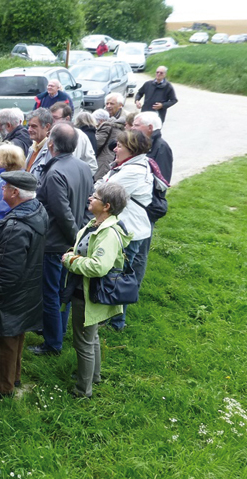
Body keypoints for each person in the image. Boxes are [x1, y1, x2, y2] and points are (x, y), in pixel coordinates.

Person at [62, 183, 132, 397]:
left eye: (96, 197)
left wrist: (71, 261)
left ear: (107, 206)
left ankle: (83, 390)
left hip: (88, 293)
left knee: (83, 341)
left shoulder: (107, 234)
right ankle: (94, 376)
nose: (90, 198)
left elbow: (99, 266)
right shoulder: (95, 225)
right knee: (91, 337)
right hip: (85, 291)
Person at [0, 170, 48, 397]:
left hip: (10, 295)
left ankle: (1, 388)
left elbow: (8, 272)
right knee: (16, 335)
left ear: (15, 192)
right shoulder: (37, 211)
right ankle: (14, 377)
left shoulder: (16, 226)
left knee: (3, 340)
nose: (2, 190)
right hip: (27, 290)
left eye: (4, 187)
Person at [30, 123, 93, 356]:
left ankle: (52, 343)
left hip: (56, 244)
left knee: (51, 294)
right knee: (63, 292)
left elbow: (61, 212)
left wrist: (75, 236)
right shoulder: (84, 167)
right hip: (71, 241)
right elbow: (89, 206)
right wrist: (82, 234)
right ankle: (58, 332)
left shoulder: (55, 172)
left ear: (51, 144)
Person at [99, 130, 153, 332]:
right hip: (130, 228)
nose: (115, 148)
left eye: (119, 146)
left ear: (131, 149)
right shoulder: (129, 166)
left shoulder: (133, 171)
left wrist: (101, 187)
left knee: (118, 276)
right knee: (117, 273)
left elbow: (104, 192)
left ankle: (115, 322)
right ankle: (111, 318)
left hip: (129, 230)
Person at [49, 103, 98, 176]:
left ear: (67, 118)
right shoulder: (50, 134)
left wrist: (77, 180)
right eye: (50, 118)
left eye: (55, 118)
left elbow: (92, 165)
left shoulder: (80, 136)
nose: (51, 121)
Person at [133, 111, 173, 183]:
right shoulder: (139, 144)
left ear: (150, 128)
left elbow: (162, 180)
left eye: (136, 125)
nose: (132, 128)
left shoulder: (161, 147)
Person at [93, 108, 124, 181]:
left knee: (100, 180)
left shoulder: (106, 126)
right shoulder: (114, 126)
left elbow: (97, 143)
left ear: (100, 121)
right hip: (110, 157)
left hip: (104, 159)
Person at [25, 108, 54, 181]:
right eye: (29, 126)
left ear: (47, 127)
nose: (29, 130)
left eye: (34, 126)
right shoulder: (33, 147)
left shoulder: (52, 150)